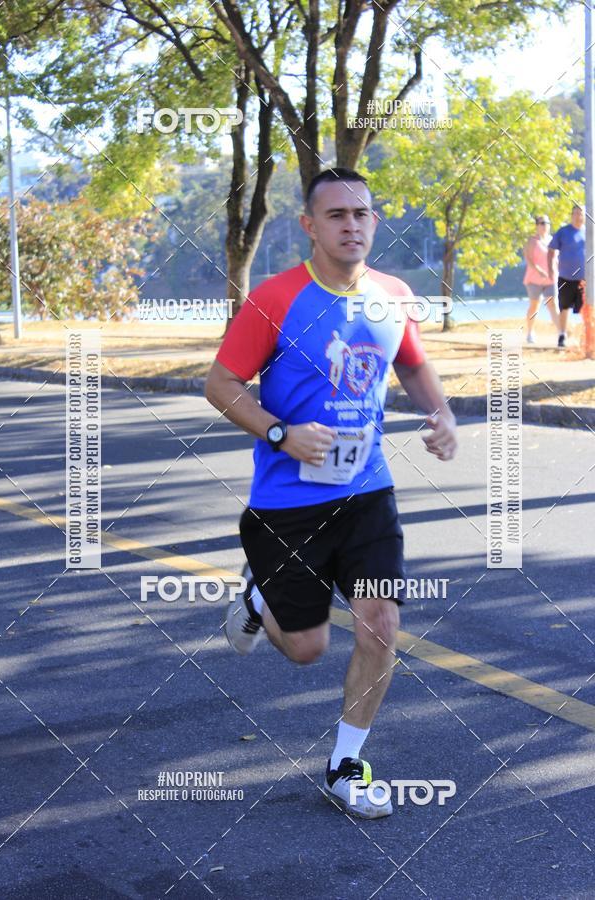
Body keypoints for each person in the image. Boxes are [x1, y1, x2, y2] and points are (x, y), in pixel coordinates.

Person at [205, 168, 458, 819]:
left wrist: (440, 413)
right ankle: (260, 594)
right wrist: (280, 432)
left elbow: (410, 361)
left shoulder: (394, 295)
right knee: (308, 649)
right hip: (288, 505)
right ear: (310, 226)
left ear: (374, 222)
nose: (352, 224)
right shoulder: (275, 299)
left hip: (368, 493)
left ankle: (345, 765)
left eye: (362, 214)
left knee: (381, 622)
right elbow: (222, 384)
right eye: (337, 214)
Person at [547, 204, 586, 348]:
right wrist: (551, 269)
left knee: (587, 308)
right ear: (571, 215)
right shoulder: (564, 232)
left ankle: (587, 337)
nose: (578, 216)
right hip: (565, 277)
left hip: (585, 279)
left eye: (581, 214)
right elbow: (551, 250)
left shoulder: (589, 232)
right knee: (564, 307)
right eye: (575, 213)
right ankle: (562, 335)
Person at [523, 215, 559, 344]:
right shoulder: (532, 241)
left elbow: (556, 260)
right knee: (534, 305)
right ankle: (530, 332)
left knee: (553, 305)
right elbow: (528, 259)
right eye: (542, 223)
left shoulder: (553, 241)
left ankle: (561, 333)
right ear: (537, 226)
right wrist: (539, 270)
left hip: (551, 279)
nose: (545, 226)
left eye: (547, 223)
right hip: (534, 279)